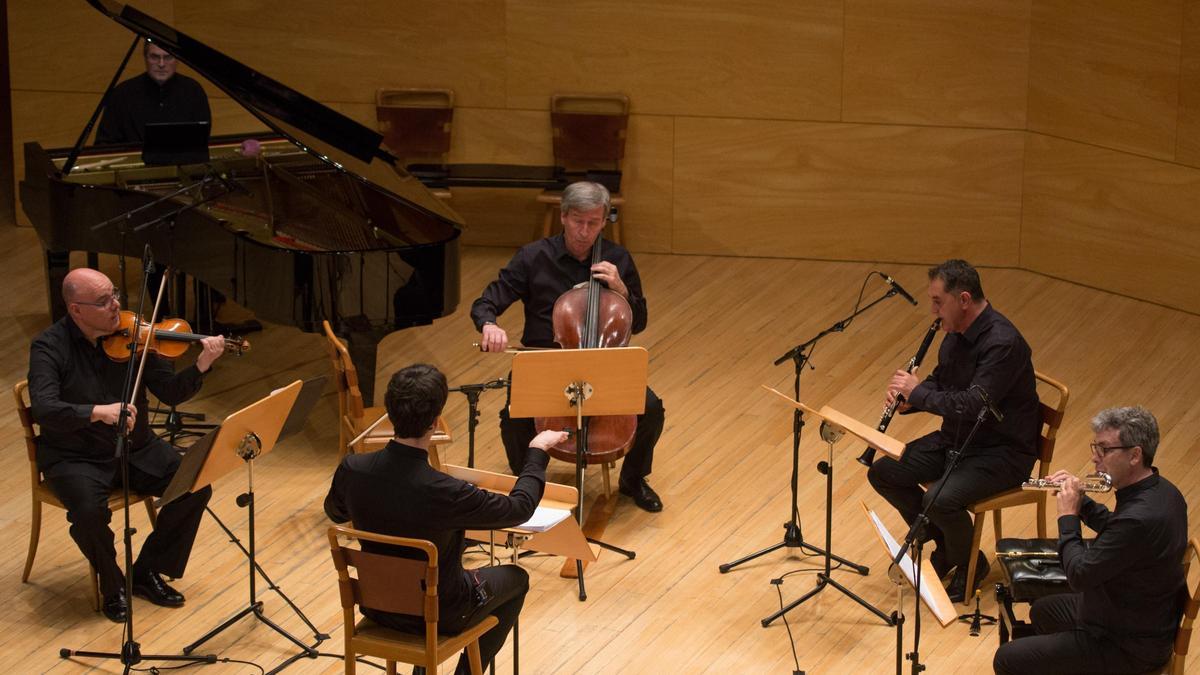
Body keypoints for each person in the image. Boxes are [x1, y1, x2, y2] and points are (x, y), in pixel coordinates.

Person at [325, 364, 566, 675]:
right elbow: (519, 508)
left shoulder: (353, 468)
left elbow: (336, 511)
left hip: (379, 606)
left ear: (390, 413)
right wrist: (537, 451)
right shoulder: (445, 491)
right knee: (516, 579)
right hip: (440, 611)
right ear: (436, 421)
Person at [27, 268, 224, 622]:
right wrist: (96, 412)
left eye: (114, 294)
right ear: (76, 310)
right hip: (76, 456)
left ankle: (147, 571)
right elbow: (43, 407)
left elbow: (171, 393)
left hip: (137, 448)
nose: (115, 305)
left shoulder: (136, 338)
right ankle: (113, 583)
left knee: (194, 485)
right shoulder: (49, 347)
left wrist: (201, 365)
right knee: (88, 515)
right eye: (103, 302)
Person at [470, 181, 665, 512]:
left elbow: (640, 320)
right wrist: (489, 324)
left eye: (593, 223)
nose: (584, 231)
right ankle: (528, 483)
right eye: (578, 221)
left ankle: (633, 479)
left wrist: (621, 288)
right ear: (563, 217)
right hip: (546, 362)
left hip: (603, 364)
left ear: (604, 221)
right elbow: (487, 300)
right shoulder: (533, 257)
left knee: (651, 409)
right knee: (514, 417)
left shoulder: (618, 260)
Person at [867, 259, 1040, 601]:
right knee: (884, 472)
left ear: (963, 299)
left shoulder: (1002, 344)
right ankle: (950, 543)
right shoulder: (955, 335)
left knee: (938, 499)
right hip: (958, 439)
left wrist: (919, 392)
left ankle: (967, 560)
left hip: (1002, 452)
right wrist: (909, 401)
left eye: (937, 302)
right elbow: (941, 382)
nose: (933, 310)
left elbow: (973, 405)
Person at [993, 406, 1187, 674]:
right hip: (1126, 612)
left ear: (1135, 455)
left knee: (1007, 658)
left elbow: (1079, 574)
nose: (1095, 458)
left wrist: (1068, 516)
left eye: (1104, 450)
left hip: (1126, 645)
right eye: (1095, 447)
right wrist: (1082, 502)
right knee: (1042, 611)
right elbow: (1117, 531)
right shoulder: (1163, 490)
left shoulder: (1140, 518)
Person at [96, 41, 211, 145]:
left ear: (177, 60)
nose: (161, 64)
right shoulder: (122, 93)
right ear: (145, 58)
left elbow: (201, 141)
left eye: (168, 57)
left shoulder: (193, 91)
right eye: (154, 57)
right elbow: (105, 143)